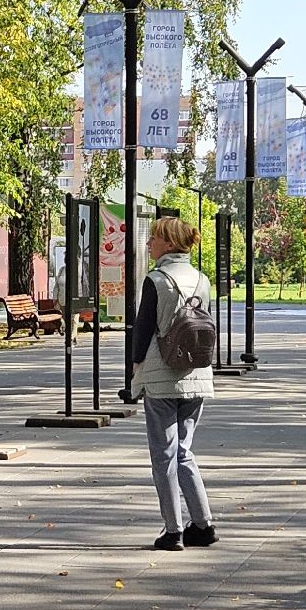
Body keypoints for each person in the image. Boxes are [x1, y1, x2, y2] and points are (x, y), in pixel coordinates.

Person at [128, 216, 217, 552]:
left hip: (161, 377)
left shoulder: (156, 279)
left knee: (164, 454)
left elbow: (143, 328)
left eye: (153, 239)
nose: (149, 244)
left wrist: (136, 369)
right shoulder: (202, 279)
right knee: (184, 451)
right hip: (196, 375)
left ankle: (173, 530)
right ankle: (203, 524)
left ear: (168, 243)